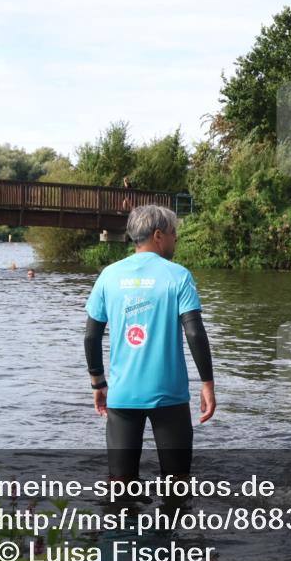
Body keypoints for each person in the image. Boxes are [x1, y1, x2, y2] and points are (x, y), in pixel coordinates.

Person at [84, 204, 216, 486]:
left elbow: (91, 336)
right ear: (158, 235)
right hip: (169, 395)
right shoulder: (178, 275)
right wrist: (207, 384)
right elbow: (194, 332)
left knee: (119, 484)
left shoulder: (109, 275)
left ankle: (122, 528)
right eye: (173, 233)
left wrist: (98, 383)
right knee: (178, 484)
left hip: (122, 395)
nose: (176, 239)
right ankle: (172, 527)